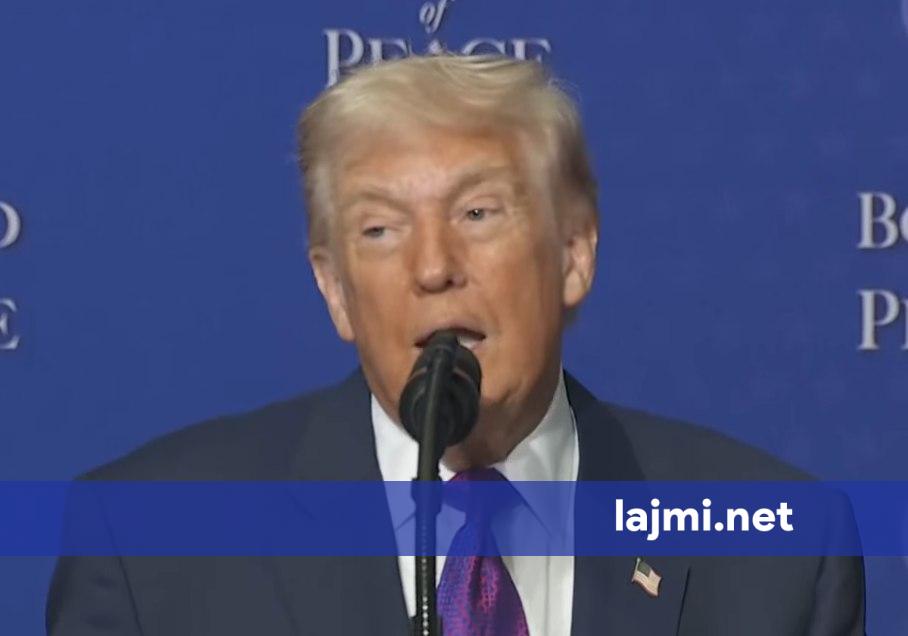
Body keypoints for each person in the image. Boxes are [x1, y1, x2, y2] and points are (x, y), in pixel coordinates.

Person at [46, 54, 865, 635]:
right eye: (379, 229)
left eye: (478, 213)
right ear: (334, 289)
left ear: (573, 253)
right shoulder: (146, 543)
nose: (433, 266)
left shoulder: (780, 549)